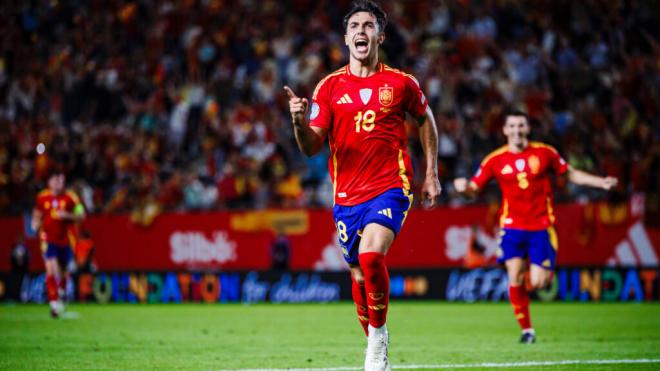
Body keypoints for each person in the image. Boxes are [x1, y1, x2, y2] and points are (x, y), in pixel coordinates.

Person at [284, 1, 441, 369]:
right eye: (354, 25)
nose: (361, 31)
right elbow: (310, 147)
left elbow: (426, 119)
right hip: (346, 196)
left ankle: (378, 342)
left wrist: (431, 172)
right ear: (345, 37)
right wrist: (297, 122)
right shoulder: (329, 87)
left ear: (379, 36)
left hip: (390, 186)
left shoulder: (401, 83)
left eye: (368, 25)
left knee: (372, 257)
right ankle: (375, 342)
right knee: (357, 272)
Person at [454, 109, 617, 343]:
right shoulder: (494, 160)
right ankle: (527, 331)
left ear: (527, 128)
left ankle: (537, 276)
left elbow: (569, 174)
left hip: (541, 226)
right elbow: (473, 189)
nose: (517, 130)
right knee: (515, 276)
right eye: (512, 126)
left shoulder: (545, 153)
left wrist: (600, 182)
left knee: (540, 282)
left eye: (521, 126)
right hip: (511, 227)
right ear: (505, 130)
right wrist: (463, 188)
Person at [32, 170, 86, 318]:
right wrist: (35, 223)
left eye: (61, 181)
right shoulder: (42, 197)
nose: (59, 183)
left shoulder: (71, 198)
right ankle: (54, 304)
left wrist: (67, 215)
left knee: (63, 272)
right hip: (47, 238)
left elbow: (82, 216)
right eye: (56, 180)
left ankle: (61, 293)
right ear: (50, 182)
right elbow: (36, 214)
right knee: (52, 269)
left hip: (65, 240)